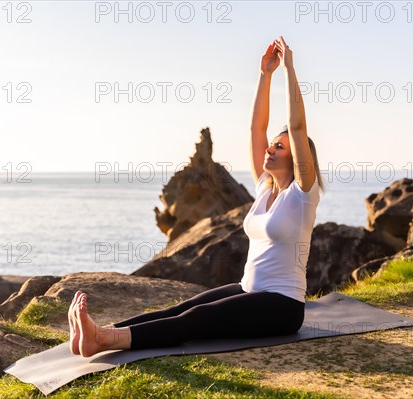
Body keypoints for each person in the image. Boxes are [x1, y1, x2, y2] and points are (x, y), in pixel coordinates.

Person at [68, 35, 325, 357]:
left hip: (282, 307)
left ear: (299, 159)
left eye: (280, 147)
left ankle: (105, 341)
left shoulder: (302, 196)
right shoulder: (264, 189)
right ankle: (101, 332)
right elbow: (255, 130)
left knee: (198, 319)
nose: (270, 148)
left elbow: (298, 127)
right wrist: (265, 75)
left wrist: (289, 69)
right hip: (251, 291)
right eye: (273, 144)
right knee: (184, 307)